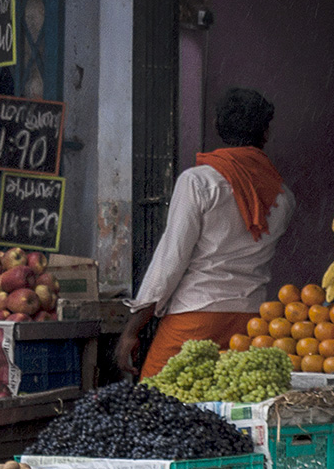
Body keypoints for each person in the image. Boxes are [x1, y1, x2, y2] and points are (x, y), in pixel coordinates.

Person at [115, 87, 296, 379]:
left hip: (196, 315)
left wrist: (132, 330)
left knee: (156, 402)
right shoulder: (283, 197)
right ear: (265, 133)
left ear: (218, 127)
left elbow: (169, 262)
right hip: (251, 321)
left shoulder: (197, 182)